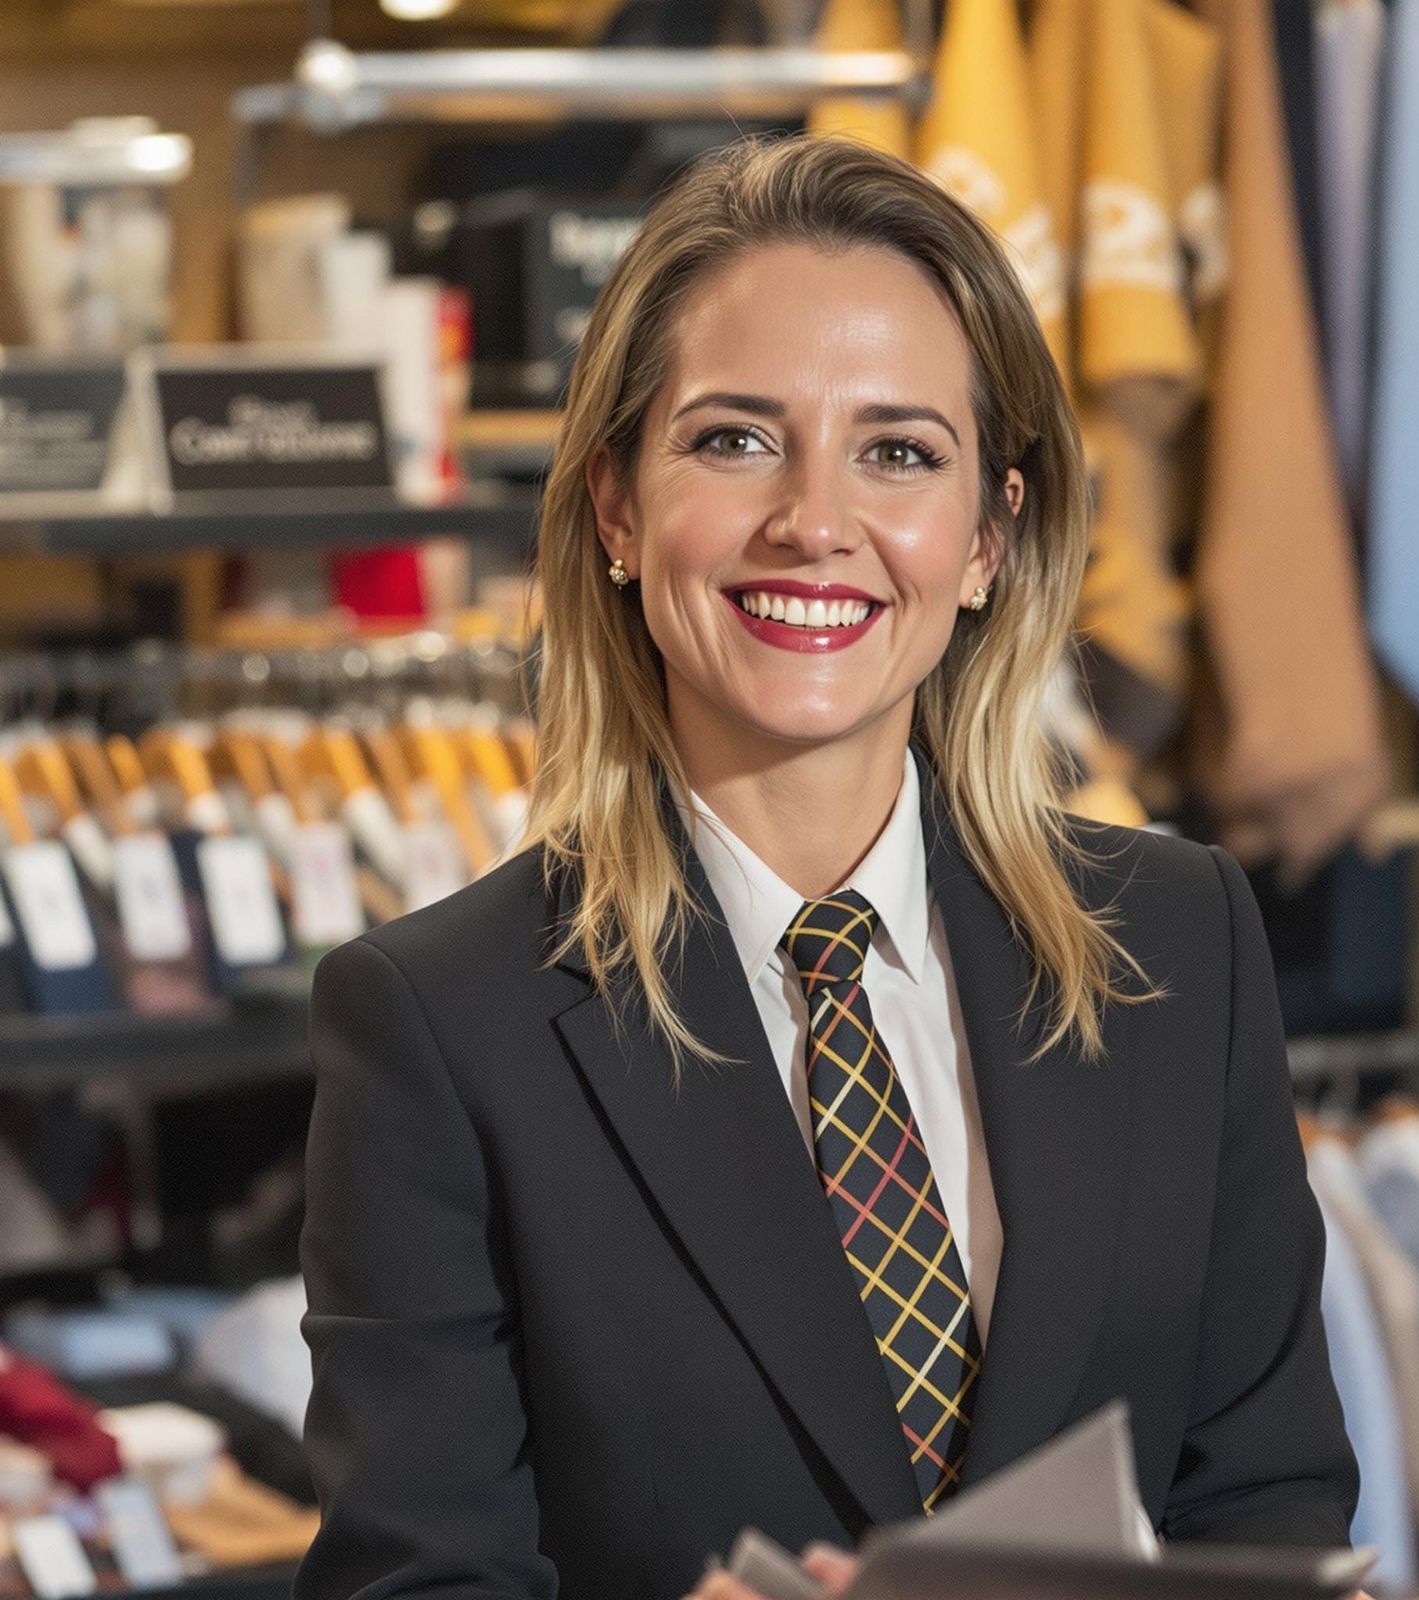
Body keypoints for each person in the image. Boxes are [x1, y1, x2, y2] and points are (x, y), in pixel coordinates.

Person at [294, 134, 1359, 1600]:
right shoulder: (435, 1025)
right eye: (734, 439)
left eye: (899, 452)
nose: (816, 521)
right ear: (616, 506)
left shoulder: (1181, 941)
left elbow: (1270, 1500)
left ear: (992, 532)